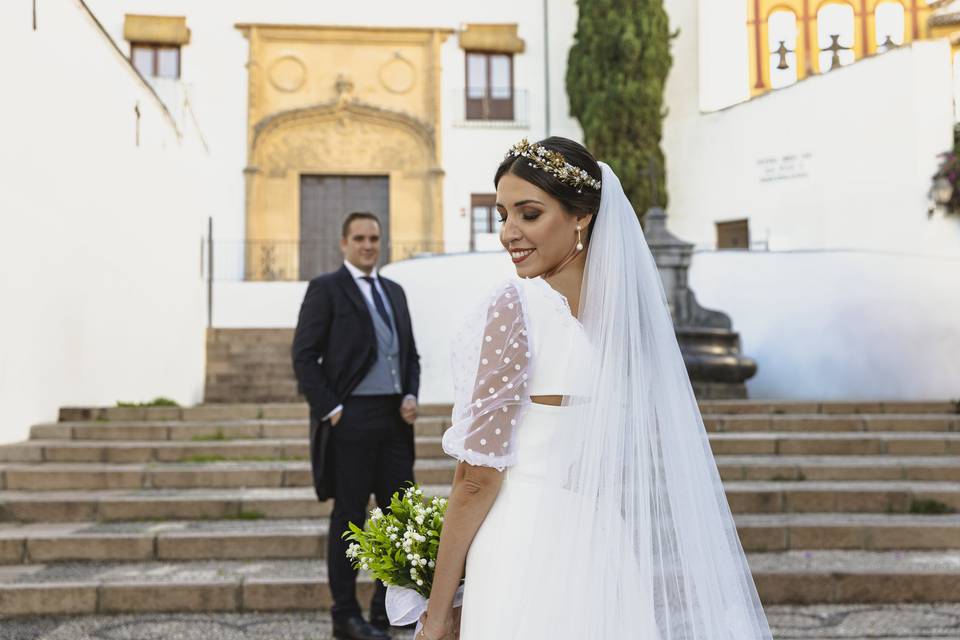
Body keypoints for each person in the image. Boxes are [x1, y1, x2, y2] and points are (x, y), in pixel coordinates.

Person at [417, 138, 773, 639]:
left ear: (581, 216)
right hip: (601, 549)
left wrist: (435, 613)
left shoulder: (517, 306)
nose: (508, 233)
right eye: (502, 215)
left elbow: (476, 479)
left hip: (521, 547)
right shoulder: (628, 319)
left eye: (529, 213)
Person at [292, 212, 421, 640]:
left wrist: (409, 395)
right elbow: (304, 356)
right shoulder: (326, 289)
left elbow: (410, 357)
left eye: (375, 238)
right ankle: (344, 615)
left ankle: (386, 610)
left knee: (396, 518)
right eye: (360, 238)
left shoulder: (395, 292)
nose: (369, 245)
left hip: (394, 421)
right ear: (344, 243)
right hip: (350, 420)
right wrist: (331, 409)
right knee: (350, 519)